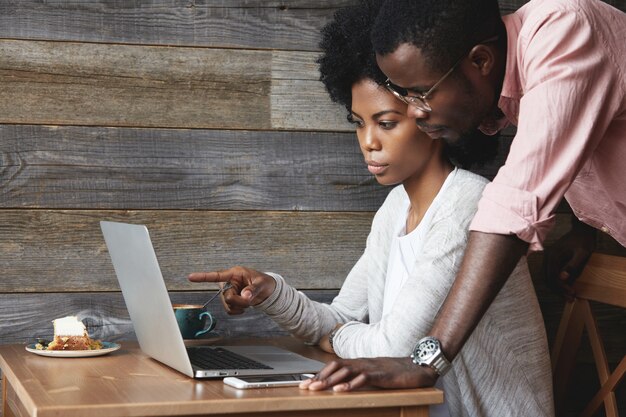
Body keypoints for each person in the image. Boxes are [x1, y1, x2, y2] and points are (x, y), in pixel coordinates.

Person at [189, 1, 555, 415]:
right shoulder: (395, 208)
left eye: (385, 122)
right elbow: (340, 316)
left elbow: (390, 350)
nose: (368, 141)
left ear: (426, 116)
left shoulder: (467, 204)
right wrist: (270, 290)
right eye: (358, 123)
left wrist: (335, 336)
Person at [304, 0, 626, 393]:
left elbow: (514, 202)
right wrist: (584, 228)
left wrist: (427, 361)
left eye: (422, 93)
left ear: (481, 61)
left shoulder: (564, 34)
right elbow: (581, 134)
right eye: (404, 95)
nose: (417, 112)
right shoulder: (536, 59)